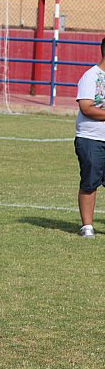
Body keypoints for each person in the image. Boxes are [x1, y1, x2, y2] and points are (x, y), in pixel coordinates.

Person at [75, 37, 105, 238]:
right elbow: (86, 108)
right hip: (91, 139)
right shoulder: (91, 76)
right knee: (90, 182)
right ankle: (87, 226)